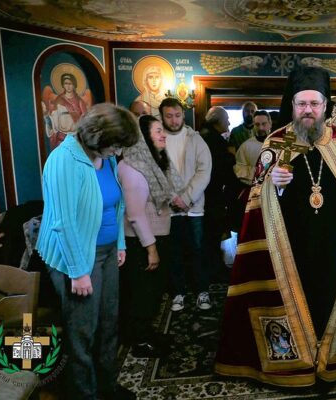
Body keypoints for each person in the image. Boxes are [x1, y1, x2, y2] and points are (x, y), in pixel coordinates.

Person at [215, 66, 336, 387]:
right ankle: (295, 366)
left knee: (327, 299)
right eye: (302, 103)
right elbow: (256, 198)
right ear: (292, 105)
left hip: (332, 244)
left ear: (325, 105)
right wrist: (275, 185)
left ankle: (328, 362)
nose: (308, 110)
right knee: (296, 298)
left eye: (314, 103)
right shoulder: (277, 143)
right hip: (288, 246)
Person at [35, 103, 139, 400]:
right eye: (116, 144)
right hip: (76, 256)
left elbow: (116, 204)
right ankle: (84, 394)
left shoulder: (106, 157)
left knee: (109, 323)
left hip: (107, 251)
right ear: (97, 135)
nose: (118, 151)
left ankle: (107, 387)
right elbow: (63, 222)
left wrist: (120, 243)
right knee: (82, 331)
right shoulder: (63, 160)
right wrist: (79, 271)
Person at [118, 114, 180, 358]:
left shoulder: (152, 163)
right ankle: (140, 341)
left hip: (156, 236)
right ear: (143, 137)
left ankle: (146, 333)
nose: (163, 135)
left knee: (153, 291)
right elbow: (135, 214)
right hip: (141, 242)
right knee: (142, 293)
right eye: (157, 131)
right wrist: (151, 248)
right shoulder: (132, 167)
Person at [159, 97, 212, 312]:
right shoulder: (157, 140)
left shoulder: (196, 139)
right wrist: (172, 198)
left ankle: (201, 291)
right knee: (174, 252)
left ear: (183, 115)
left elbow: (204, 170)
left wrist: (187, 198)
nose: (174, 120)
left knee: (197, 250)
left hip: (194, 208)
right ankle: (178, 293)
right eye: (169, 116)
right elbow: (154, 171)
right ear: (162, 117)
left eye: (177, 115)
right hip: (168, 208)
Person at [200, 106, 240, 283]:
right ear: (218, 121)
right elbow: (222, 169)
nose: (229, 122)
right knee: (212, 234)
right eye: (226, 119)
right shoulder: (213, 140)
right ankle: (214, 270)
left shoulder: (207, 136)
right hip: (212, 195)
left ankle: (214, 267)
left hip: (210, 193)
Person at [49, 73, 88, 149]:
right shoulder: (59, 100)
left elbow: (85, 118)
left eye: (70, 83)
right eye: (66, 83)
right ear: (63, 85)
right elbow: (54, 117)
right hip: (62, 136)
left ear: (74, 85)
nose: (68, 86)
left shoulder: (80, 101)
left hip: (76, 136)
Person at [234, 110, 272, 186]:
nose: (261, 128)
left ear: (270, 124)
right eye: (257, 124)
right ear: (253, 126)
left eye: (264, 124)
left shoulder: (280, 144)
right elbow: (239, 169)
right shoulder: (245, 146)